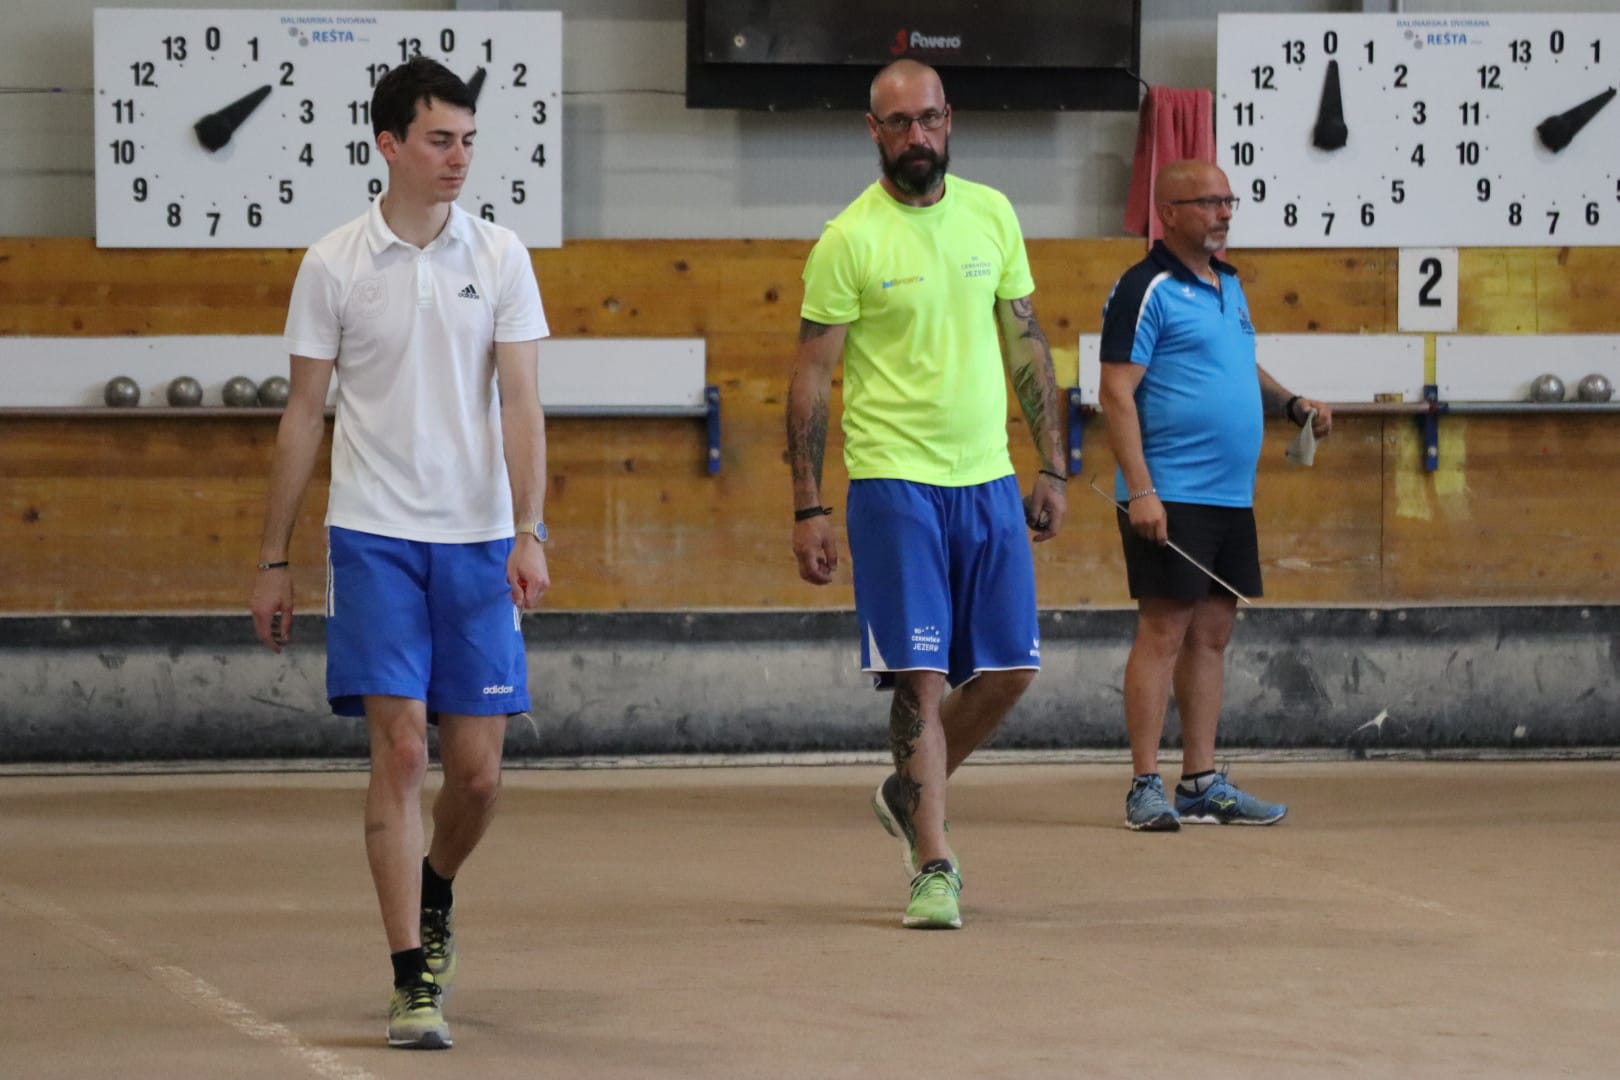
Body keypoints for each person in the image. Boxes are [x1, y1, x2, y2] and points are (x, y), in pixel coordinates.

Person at [248, 56, 551, 1049]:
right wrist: (274, 557)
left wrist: (530, 529)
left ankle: (436, 885)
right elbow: (303, 415)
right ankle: (411, 977)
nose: (459, 157)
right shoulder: (333, 263)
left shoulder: (500, 255)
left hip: (479, 542)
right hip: (374, 534)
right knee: (405, 748)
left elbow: (521, 402)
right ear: (390, 144)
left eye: (468, 140)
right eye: (439, 139)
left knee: (477, 776)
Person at [786, 59, 1068, 929]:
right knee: (922, 676)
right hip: (893, 482)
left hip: (986, 479)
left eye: (930, 119)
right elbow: (812, 377)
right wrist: (808, 504)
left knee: (1012, 669)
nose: (918, 136)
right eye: (900, 123)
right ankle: (933, 862)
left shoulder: (992, 214)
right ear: (873, 131)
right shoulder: (849, 239)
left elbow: (1026, 344)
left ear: (951, 119)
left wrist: (1054, 463)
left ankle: (907, 790)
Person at [1097, 159, 1332, 832]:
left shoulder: (1228, 284)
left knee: (1213, 633)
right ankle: (1144, 786)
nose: (1224, 212)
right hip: (1171, 492)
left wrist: (1290, 404)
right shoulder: (1144, 288)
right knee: (1164, 630)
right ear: (1168, 213)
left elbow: (1236, 364)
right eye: (1208, 202)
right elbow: (1116, 391)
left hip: (1231, 496)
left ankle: (1200, 782)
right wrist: (1143, 490)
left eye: (1229, 200)